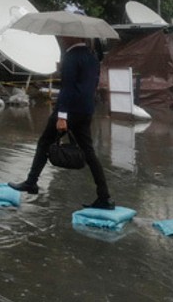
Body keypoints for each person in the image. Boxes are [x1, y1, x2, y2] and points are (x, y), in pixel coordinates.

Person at [8, 37, 114, 209]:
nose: (60, 39)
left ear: (71, 38)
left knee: (44, 143)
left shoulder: (71, 56)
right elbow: (91, 84)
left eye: (63, 36)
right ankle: (105, 197)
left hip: (69, 110)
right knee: (89, 153)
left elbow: (68, 88)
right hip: (85, 110)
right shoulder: (92, 56)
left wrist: (62, 116)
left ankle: (31, 182)